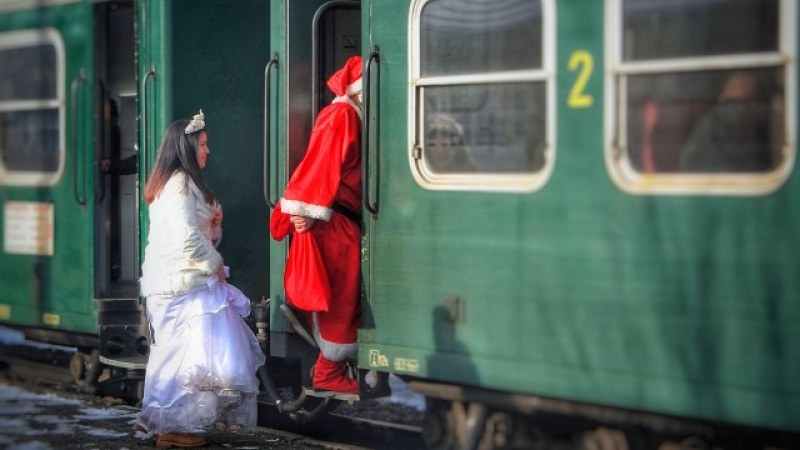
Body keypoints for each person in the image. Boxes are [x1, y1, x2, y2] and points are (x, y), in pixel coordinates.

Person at [135, 110, 265, 448]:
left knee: (186, 356)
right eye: (204, 144)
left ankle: (178, 427)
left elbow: (199, 235)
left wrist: (214, 226)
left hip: (182, 279)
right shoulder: (178, 183)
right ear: (187, 147)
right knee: (180, 356)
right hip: (178, 281)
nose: (208, 151)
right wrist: (214, 262)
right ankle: (169, 429)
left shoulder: (182, 183)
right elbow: (184, 237)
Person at [269, 56, 363, 394]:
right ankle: (327, 371)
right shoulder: (343, 116)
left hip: (338, 218)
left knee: (343, 294)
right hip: (333, 222)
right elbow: (318, 163)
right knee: (339, 297)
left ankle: (331, 367)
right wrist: (305, 208)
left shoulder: (348, 115)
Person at [680, 71, 772, 172]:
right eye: (732, 103)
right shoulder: (710, 128)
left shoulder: (762, 130)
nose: (737, 110)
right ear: (721, 98)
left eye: (746, 103)